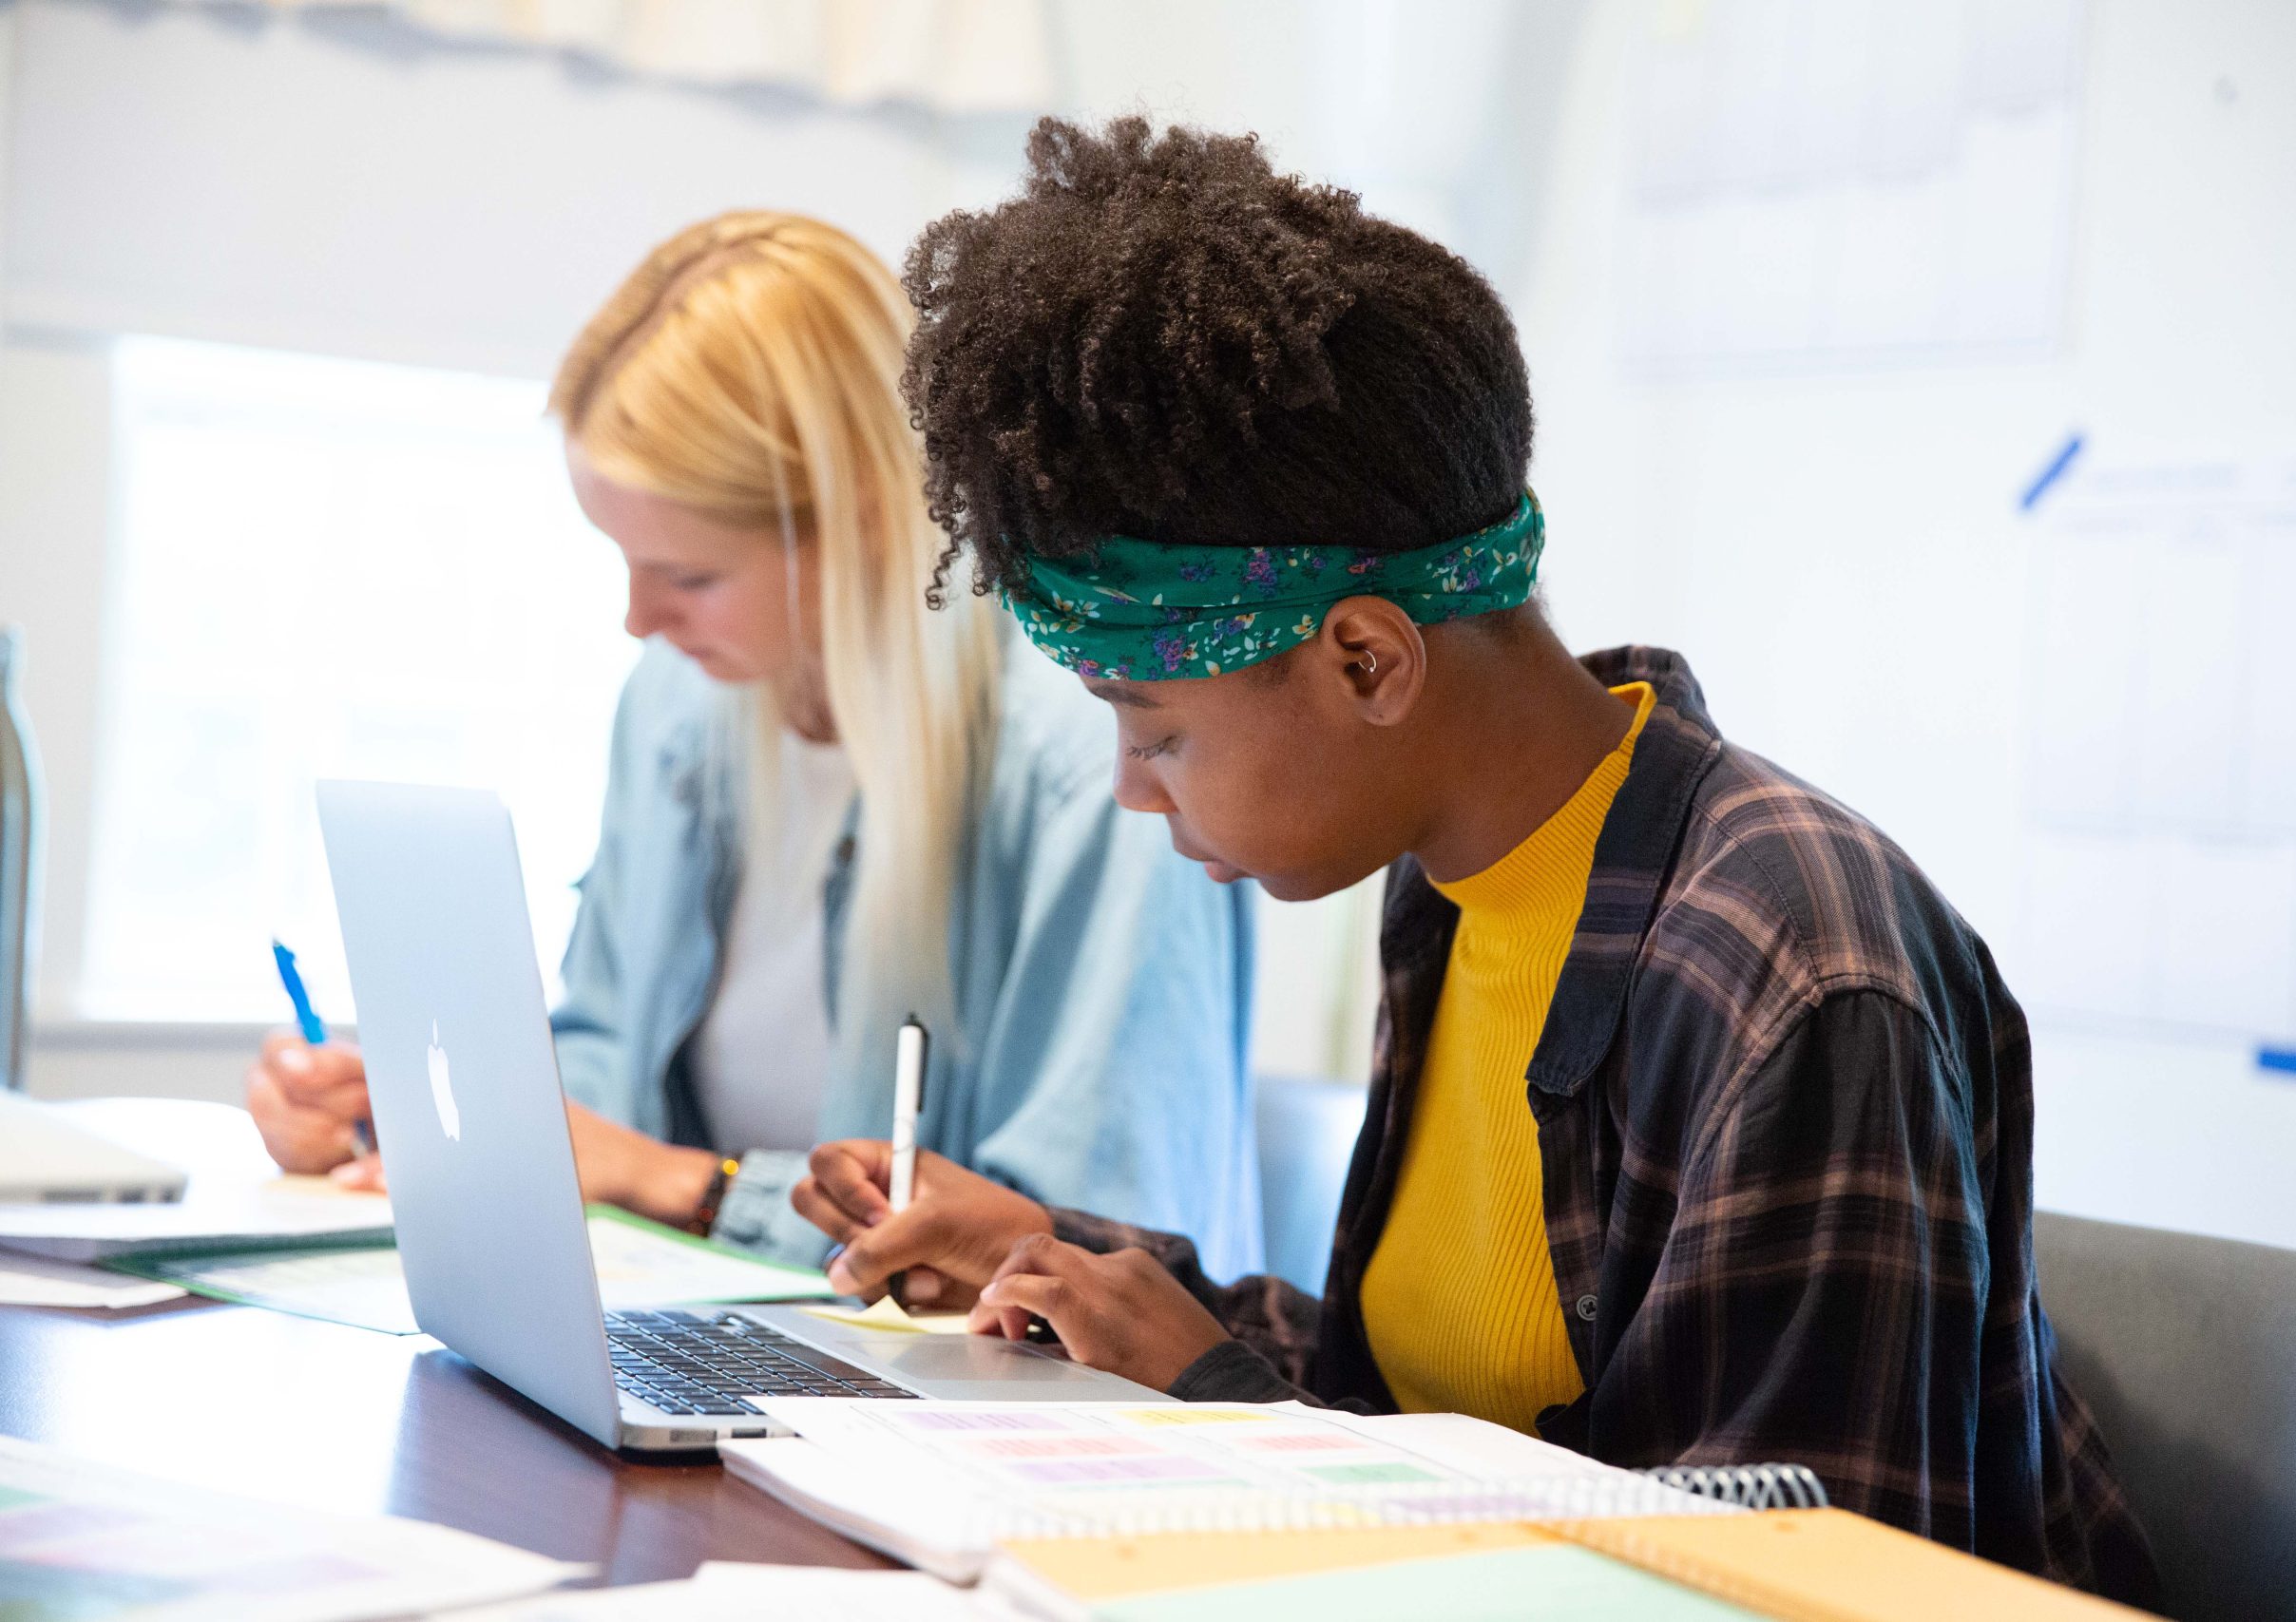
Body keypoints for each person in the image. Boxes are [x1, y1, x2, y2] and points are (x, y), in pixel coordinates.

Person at [792, 120, 2158, 1602]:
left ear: (1368, 658)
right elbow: (1463, 1411)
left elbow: (1777, 1575)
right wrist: (1074, 1256)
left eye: (1157, 728)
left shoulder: (1796, 969)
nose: (1128, 788)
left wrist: (1230, 1397)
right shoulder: (1454, 875)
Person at [244, 210, 1262, 1276]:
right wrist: (416, 1123)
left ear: (866, 518)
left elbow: (1093, 1247)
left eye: (689, 576)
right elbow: (607, 1079)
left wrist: (684, 1188)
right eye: (625, 561)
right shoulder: (677, 708)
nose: (640, 621)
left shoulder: (1097, 762)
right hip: (735, 1326)